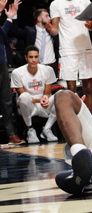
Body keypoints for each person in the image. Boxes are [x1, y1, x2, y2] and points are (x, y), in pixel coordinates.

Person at [47, 0, 92, 112]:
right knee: (71, 89)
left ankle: (89, 121)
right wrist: (49, 27)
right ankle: (74, 120)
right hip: (67, 49)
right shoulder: (56, 4)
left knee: (88, 88)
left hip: (85, 48)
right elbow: (55, 30)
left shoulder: (85, 2)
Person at [11, 45, 58, 143]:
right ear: (26, 58)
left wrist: (44, 98)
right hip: (28, 106)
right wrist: (38, 100)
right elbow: (21, 94)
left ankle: (47, 129)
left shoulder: (47, 70)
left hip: (44, 104)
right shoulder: (17, 72)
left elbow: (47, 92)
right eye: (31, 57)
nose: (33, 60)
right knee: (24, 97)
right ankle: (30, 130)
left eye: (36, 57)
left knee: (61, 95)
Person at [0, 0, 25, 145]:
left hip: (2, 63)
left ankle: (11, 134)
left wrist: (9, 17)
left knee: (7, 100)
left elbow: (3, 32)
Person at [22, 9, 59, 77]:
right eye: (47, 16)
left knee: (53, 87)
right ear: (39, 18)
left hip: (52, 66)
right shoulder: (30, 31)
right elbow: (14, 31)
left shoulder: (53, 32)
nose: (49, 18)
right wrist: (14, 15)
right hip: (35, 66)